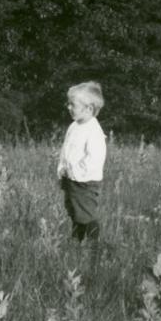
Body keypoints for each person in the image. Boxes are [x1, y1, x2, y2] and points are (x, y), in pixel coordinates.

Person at [58, 81, 107, 243]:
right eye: (68, 104)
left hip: (85, 181)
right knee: (74, 211)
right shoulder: (74, 126)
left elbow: (93, 159)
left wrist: (75, 171)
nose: (68, 107)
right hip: (71, 179)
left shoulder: (94, 131)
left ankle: (93, 244)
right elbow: (66, 150)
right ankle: (77, 240)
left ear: (89, 108)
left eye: (73, 105)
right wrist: (62, 169)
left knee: (86, 213)